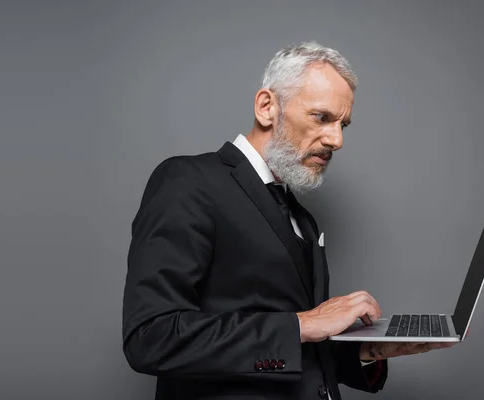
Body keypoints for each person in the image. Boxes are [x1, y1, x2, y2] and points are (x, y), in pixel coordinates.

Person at [122, 41, 454, 400]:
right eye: (322, 117)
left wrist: (371, 350)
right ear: (267, 107)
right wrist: (303, 323)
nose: (337, 140)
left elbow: (296, 351)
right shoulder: (188, 181)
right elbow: (151, 336)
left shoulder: (301, 217)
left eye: (343, 124)